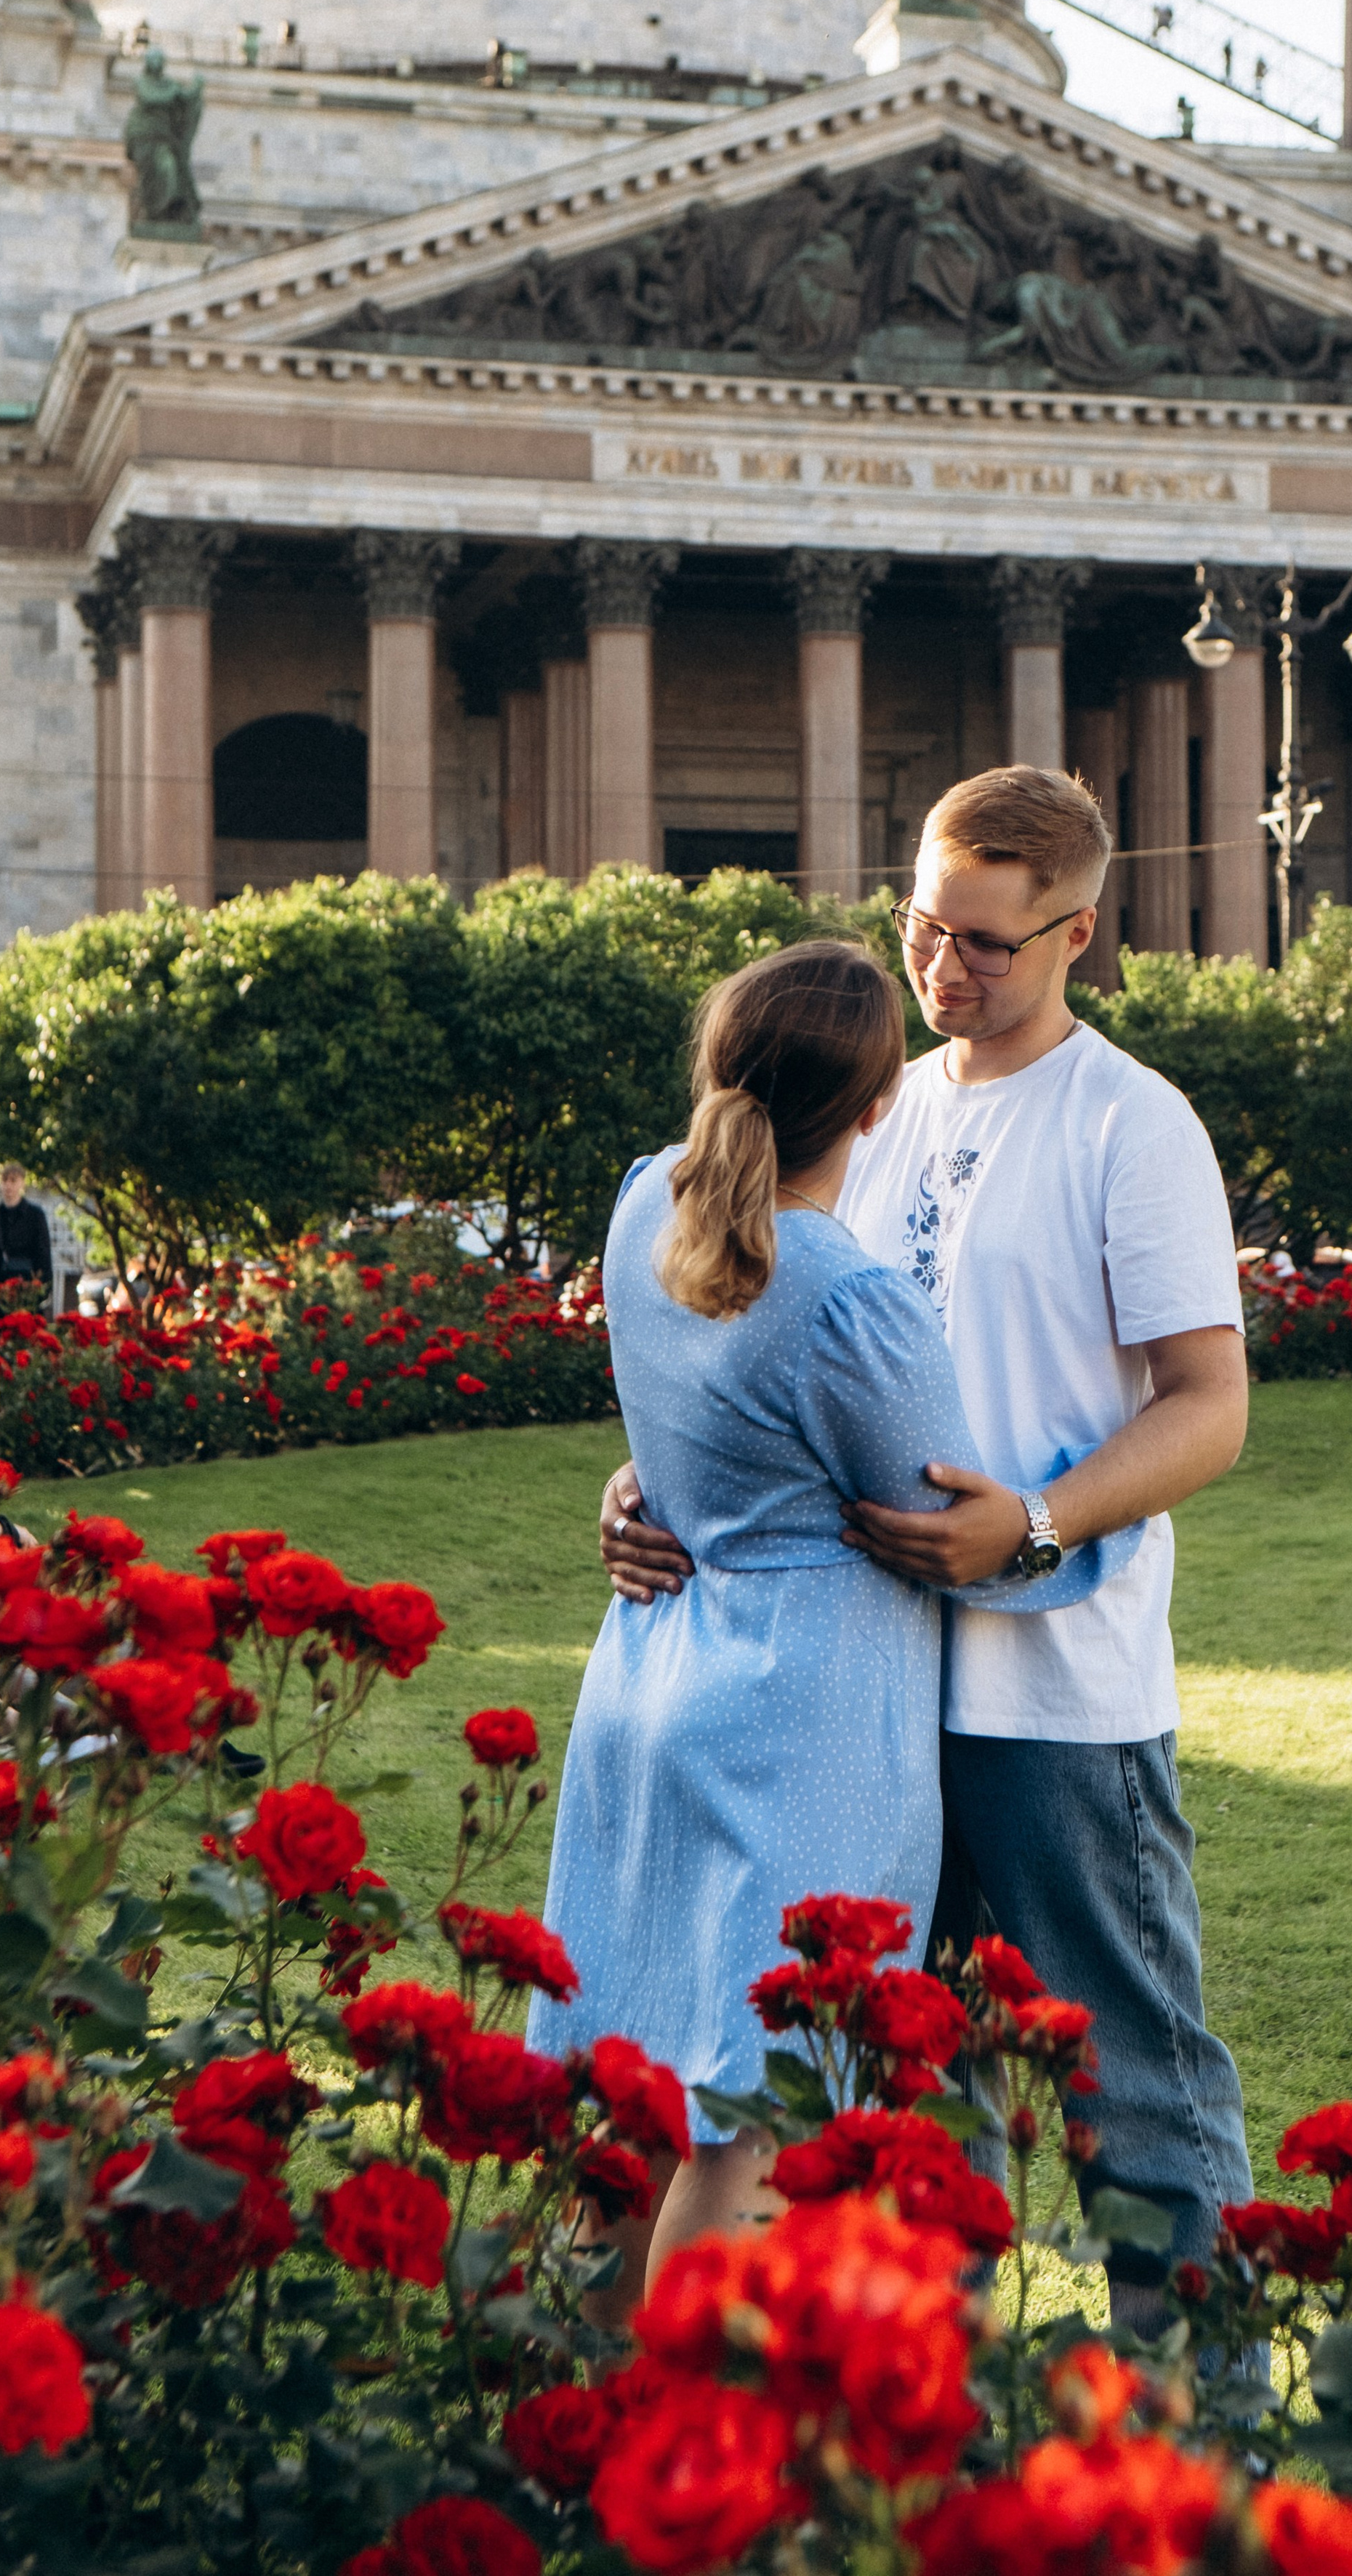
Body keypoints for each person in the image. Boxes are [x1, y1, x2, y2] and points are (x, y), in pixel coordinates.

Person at [603, 766, 1255, 2324]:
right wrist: (648, 1483)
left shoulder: (1130, 1123)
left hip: (1051, 1699)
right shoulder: (870, 1103)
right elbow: (761, 1335)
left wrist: (1030, 1524)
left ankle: (1214, 2423)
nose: (940, 967)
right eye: (919, 924)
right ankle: (934, 2431)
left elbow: (1209, 1405)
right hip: (859, 1707)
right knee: (898, 2101)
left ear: (1076, 936)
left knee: (1127, 2081)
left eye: (982, 944)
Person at [536, 937, 1122, 2323]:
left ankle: (579, 2431)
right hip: (804, 1723)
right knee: (757, 2110)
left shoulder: (640, 1209)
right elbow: (953, 1533)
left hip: (646, 1678)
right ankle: (691, 2450)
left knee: (634, 2089)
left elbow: (682, 1435)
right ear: (876, 1111)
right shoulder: (854, 1302)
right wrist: (1089, 1526)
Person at [0, 1166, 54, 1317]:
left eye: (13, 1181)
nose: (8, 1185)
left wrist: (42, 1290)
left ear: (22, 1184)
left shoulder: (35, 1216)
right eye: (5, 1180)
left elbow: (43, 1254)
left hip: (27, 1291)